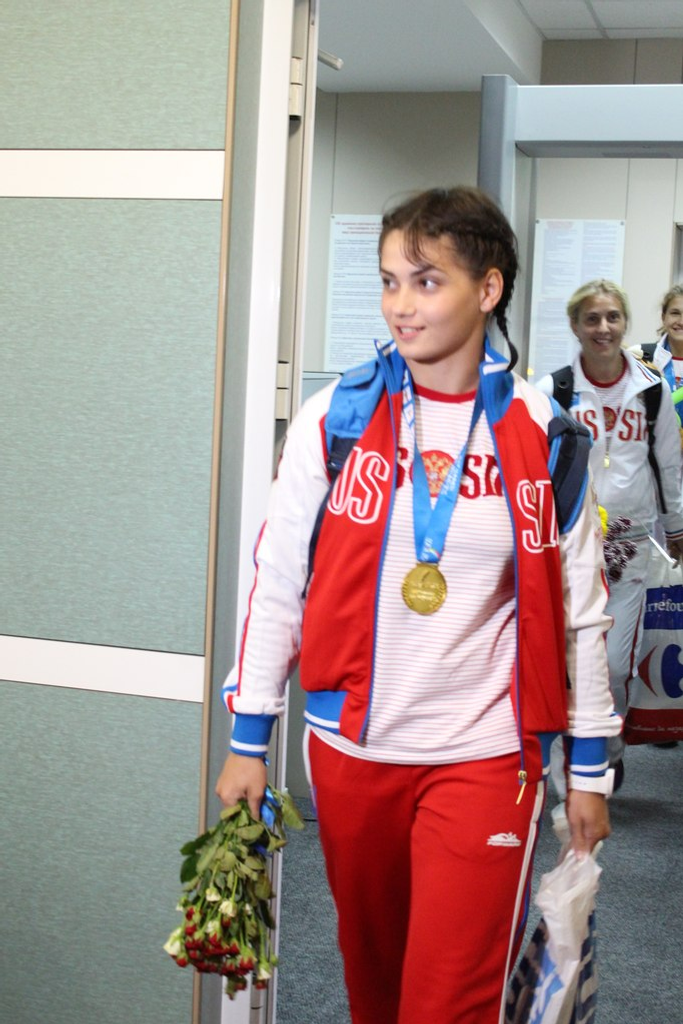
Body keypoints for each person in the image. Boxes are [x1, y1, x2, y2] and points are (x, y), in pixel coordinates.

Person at [216, 187, 619, 1024]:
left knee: (448, 1004)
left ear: (487, 288)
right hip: (352, 751)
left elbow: (580, 615)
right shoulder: (336, 419)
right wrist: (249, 737)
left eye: (427, 281)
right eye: (389, 280)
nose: (401, 304)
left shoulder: (545, 436)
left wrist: (587, 770)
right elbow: (278, 581)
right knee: (374, 988)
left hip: (487, 755)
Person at [536, 280, 683, 783]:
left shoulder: (651, 390)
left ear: (625, 323)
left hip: (630, 547)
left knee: (616, 666)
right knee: (569, 663)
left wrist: (677, 526)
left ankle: (609, 747)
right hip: (568, 548)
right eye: (592, 318)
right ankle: (573, 767)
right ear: (575, 325)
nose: (603, 328)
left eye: (613, 317)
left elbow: (668, 464)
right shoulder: (552, 391)